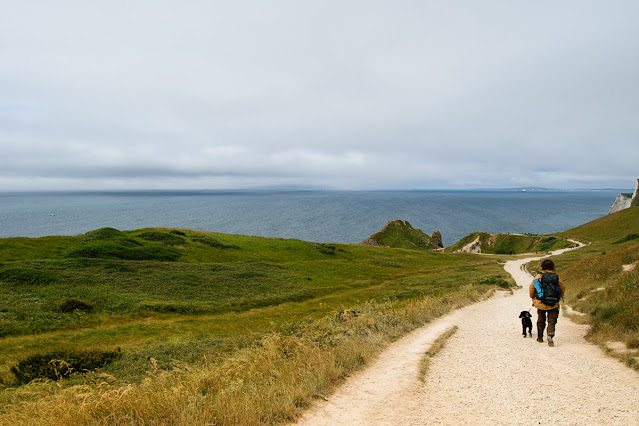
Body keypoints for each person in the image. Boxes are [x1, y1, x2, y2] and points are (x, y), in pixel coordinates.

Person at [529, 258, 565, 347]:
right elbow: (562, 289)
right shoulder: (556, 277)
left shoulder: (538, 277)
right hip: (554, 303)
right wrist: (558, 297)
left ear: (542, 267)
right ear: (553, 267)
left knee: (541, 320)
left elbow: (531, 289)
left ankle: (540, 337)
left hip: (541, 302)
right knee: (552, 321)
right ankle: (550, 335)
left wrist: (533, 299)